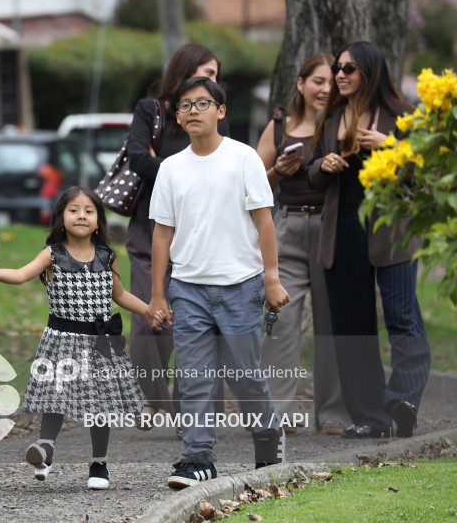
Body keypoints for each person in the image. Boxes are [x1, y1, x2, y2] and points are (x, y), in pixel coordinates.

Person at [148, 77, 289, 489]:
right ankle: (198, 459)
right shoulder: (171, 168)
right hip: (188, 289)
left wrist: (272, 280)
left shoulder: (243, 159)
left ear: (221, 111)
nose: (193, 111)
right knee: (194, 377)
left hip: (241, 286)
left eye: (202, 103)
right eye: (185, 105)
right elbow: (161, 234)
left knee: (243, 374)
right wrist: (158, 293)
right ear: (177, 116)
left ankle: (267, 433)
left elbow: (264, 224)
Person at [0, 187, 164, 490]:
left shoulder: (107, 257)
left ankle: (99, 463)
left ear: (98, 221)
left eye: (89, 211)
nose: (81, 215)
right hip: (62, 340)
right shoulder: (52, 254)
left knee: (100, 405)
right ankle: (45, 448)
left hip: (99, 344)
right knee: (55, 396)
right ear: (61, 219)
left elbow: (120, 295)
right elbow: (22, 274)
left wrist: (149, 311)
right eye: (74, 210)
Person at [308, 41, 430, 439]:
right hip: (341, 230)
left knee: (401, 316)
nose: (340, 76)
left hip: (392, 231)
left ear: (371, 73)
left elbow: (426, 175)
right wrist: (323, 166)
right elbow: (311, 175)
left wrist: (391, 148)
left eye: (349, 69)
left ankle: (404, 400)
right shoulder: (331, 119)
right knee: (352, 327)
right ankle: (370, 419)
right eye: (338, 68)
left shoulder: (402, 116)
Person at [126, 43, 224, 425]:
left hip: (197, 236)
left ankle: (189, 408)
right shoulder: (151, 111)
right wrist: (181, 169)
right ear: (184, 72)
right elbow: (138, 158)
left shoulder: (217, 116)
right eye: (206, 72)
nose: (211, 81)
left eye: (215, 76)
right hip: (148, 228)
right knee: (147, 319)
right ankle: (155, 401)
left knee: (193, 322)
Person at [256, 53, 351, 436]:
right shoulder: (279, 127)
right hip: (288, 230)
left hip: (332, 229)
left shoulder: (344, 123)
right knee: (281, 323)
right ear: (300, 83)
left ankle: (333, 413)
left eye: (332, 82)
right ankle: (279, 412)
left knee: (332, 324)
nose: (326, 89)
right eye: (318, 81)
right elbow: (251, 185)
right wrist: (279, 170)